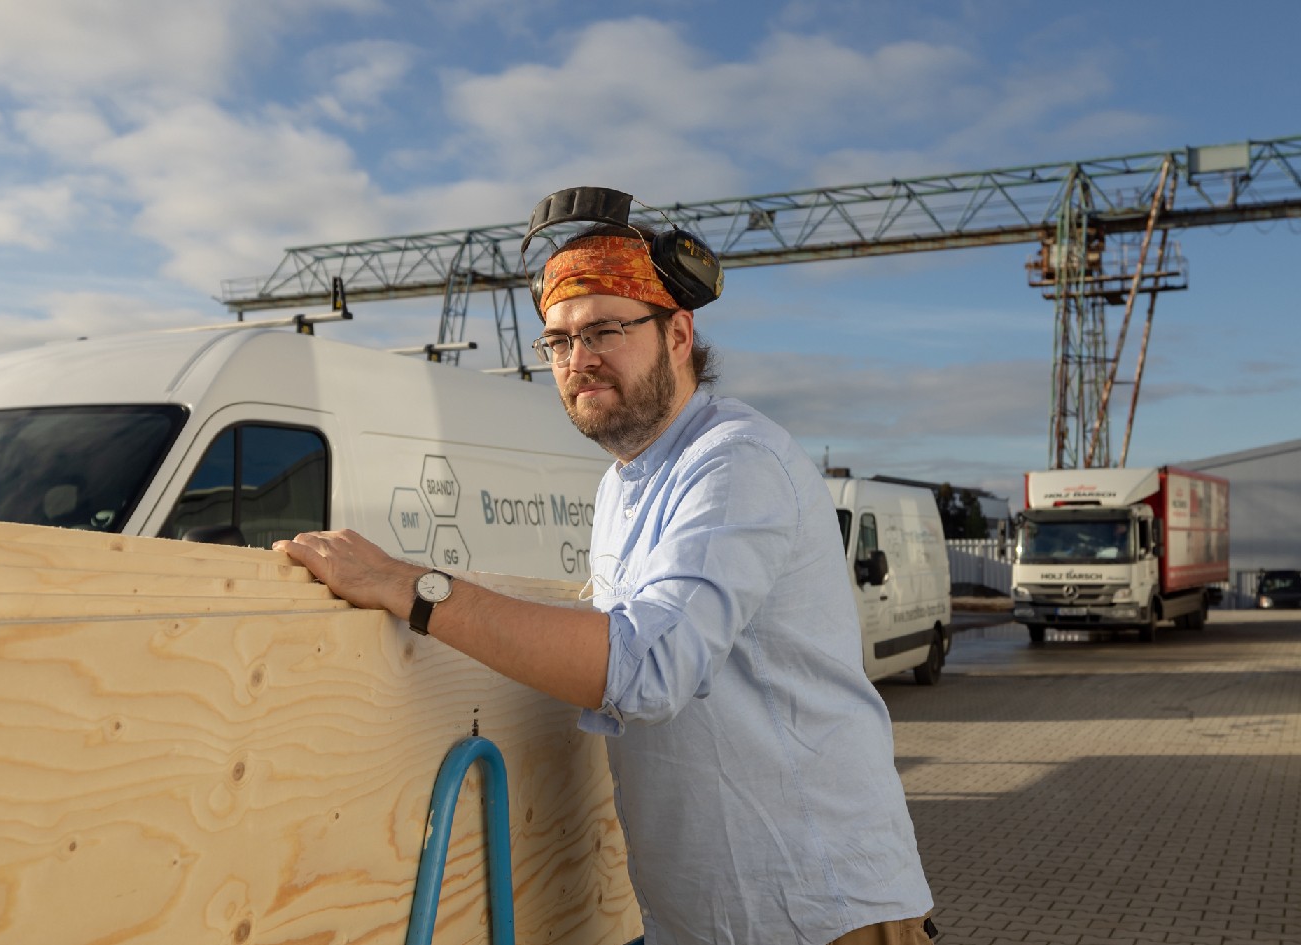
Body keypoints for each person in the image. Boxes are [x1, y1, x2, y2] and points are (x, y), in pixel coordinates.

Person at [275, 189, 935, 945]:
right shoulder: (625, 483)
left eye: (605, 330)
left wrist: (412, 587)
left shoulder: (734, 463)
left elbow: (646, 666)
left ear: (679, 334)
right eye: (556, 341)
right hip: (703, 919)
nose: (577, 360)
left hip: (815, 912)